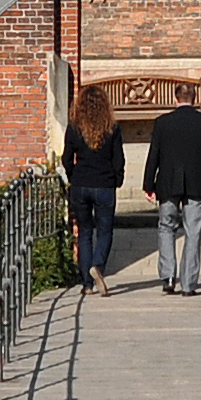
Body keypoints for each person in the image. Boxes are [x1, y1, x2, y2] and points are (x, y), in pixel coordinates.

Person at [142, 86, 201, 295]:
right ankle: (189, 283)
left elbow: (154, 156)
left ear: (175, 97)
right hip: (196, 183)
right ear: (194, 99)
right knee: (193, 231)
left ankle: (168, 275)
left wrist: (148, 184)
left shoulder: (162, 122)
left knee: (166, 227)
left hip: (168, 182)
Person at [61, 87, 125, 293]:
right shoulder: (112, 128)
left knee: (85, 233)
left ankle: (87, 284)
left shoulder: (74, 127)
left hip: (81, 184)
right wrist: (117, 178)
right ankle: (97, 266)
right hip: (104, 183)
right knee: (105, 230)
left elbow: (66, 158)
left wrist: (73, 176)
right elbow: (118, 159)